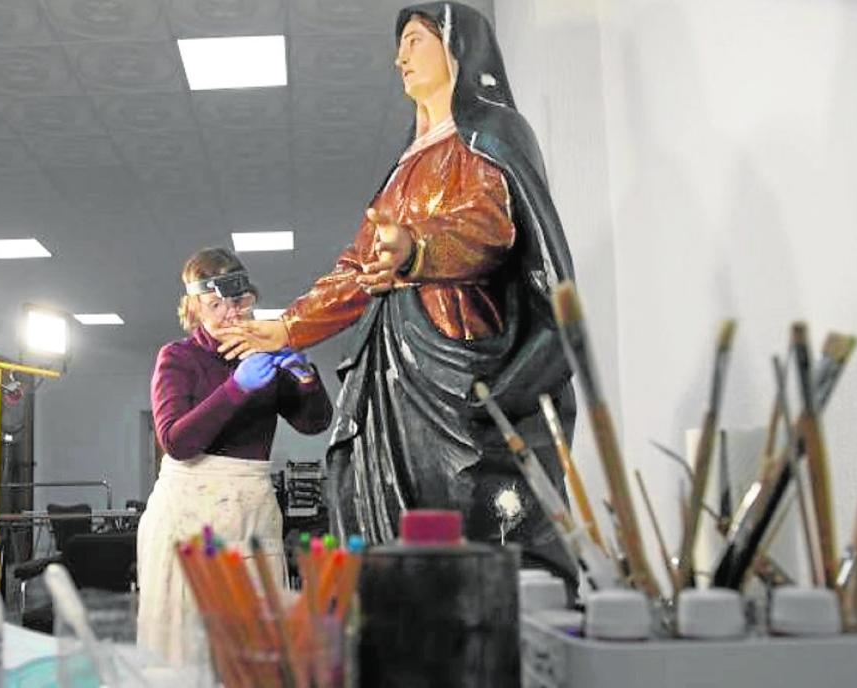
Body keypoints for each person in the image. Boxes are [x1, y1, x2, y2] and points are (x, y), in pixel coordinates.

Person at [216, 2, 580, 583]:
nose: (400, 57)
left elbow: (491, 225)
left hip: (461, 361)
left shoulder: (491, 134)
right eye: (401, 46)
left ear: (457, 46)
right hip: (394, 370)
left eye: (414, 40)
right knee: (388, 514)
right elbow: (357, 267)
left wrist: (417, 247)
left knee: (475, 506)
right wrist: (288, 326)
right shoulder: (402, 165)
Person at [136, 247, 333, 664]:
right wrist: (235, 390)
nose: (230, 312)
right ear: (194, 307)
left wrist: (306, 379)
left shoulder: (264, 351)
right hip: (187, 512)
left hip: (251, 509)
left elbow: (314, 423)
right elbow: (175, 440)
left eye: (239, 300)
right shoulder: (178, 358)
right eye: (215, 303)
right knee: (185, 644)